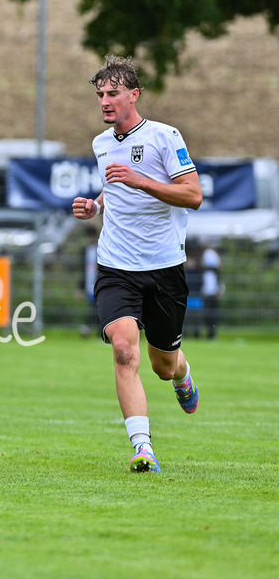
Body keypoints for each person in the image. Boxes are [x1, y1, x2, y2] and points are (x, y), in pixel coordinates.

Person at [72, 55, 203, 473]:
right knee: (124, 350)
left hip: (164, 267)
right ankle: (142, 447)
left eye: (113, 93)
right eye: (100, 95)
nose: (105, 101)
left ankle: (181, 373)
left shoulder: (165, 136)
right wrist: (96, 206)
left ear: (134, 94)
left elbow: (193, 196)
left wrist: (140, 180)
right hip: (115, 266)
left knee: (163, 366)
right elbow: (114, 190)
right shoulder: (101, 143)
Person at [200, 243, 222, 339]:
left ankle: (212, 334)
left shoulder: (213, 273)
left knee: (212, 314)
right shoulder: (207, 273)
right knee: (209, 314)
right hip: (207, 292)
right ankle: (210, 334)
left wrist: (219, 289)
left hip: (212, 292)